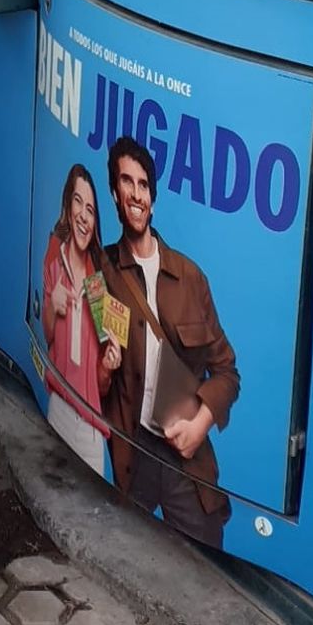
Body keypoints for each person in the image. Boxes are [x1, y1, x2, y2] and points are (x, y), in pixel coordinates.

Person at [97, 137, 239, 548]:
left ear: (152, 201)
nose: (136, 194)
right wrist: (105, 369)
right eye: (127, 183)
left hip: (184, 460)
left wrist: (200, 426)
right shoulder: (103, 271)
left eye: (143, 185)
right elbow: (95, 378)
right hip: (132, 451)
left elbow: (228, 372)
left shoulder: (191, 278)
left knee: (205, 569)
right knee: (121, 557)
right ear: (115, 195)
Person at [40, 164, 111, 475]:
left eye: (91, 210)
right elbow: (48, 336)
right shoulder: (54, 260)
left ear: (95, 223)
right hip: (58, 406)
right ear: (68, 207)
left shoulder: (99, 283)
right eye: (78, 203)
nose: (84, 215)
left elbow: (102, 383)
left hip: (90, 426)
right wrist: (53, 307)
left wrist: (109, 365)